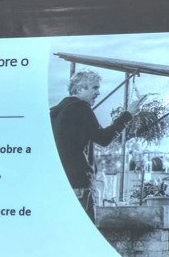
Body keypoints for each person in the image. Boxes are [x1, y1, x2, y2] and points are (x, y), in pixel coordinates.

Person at [50, 70, 144, 221]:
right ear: (79, 88)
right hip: (78, 182)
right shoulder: (81, 107)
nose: (98, 92)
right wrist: (128, 115)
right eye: (95, 88)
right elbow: (103, 138)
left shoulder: (55, 112)